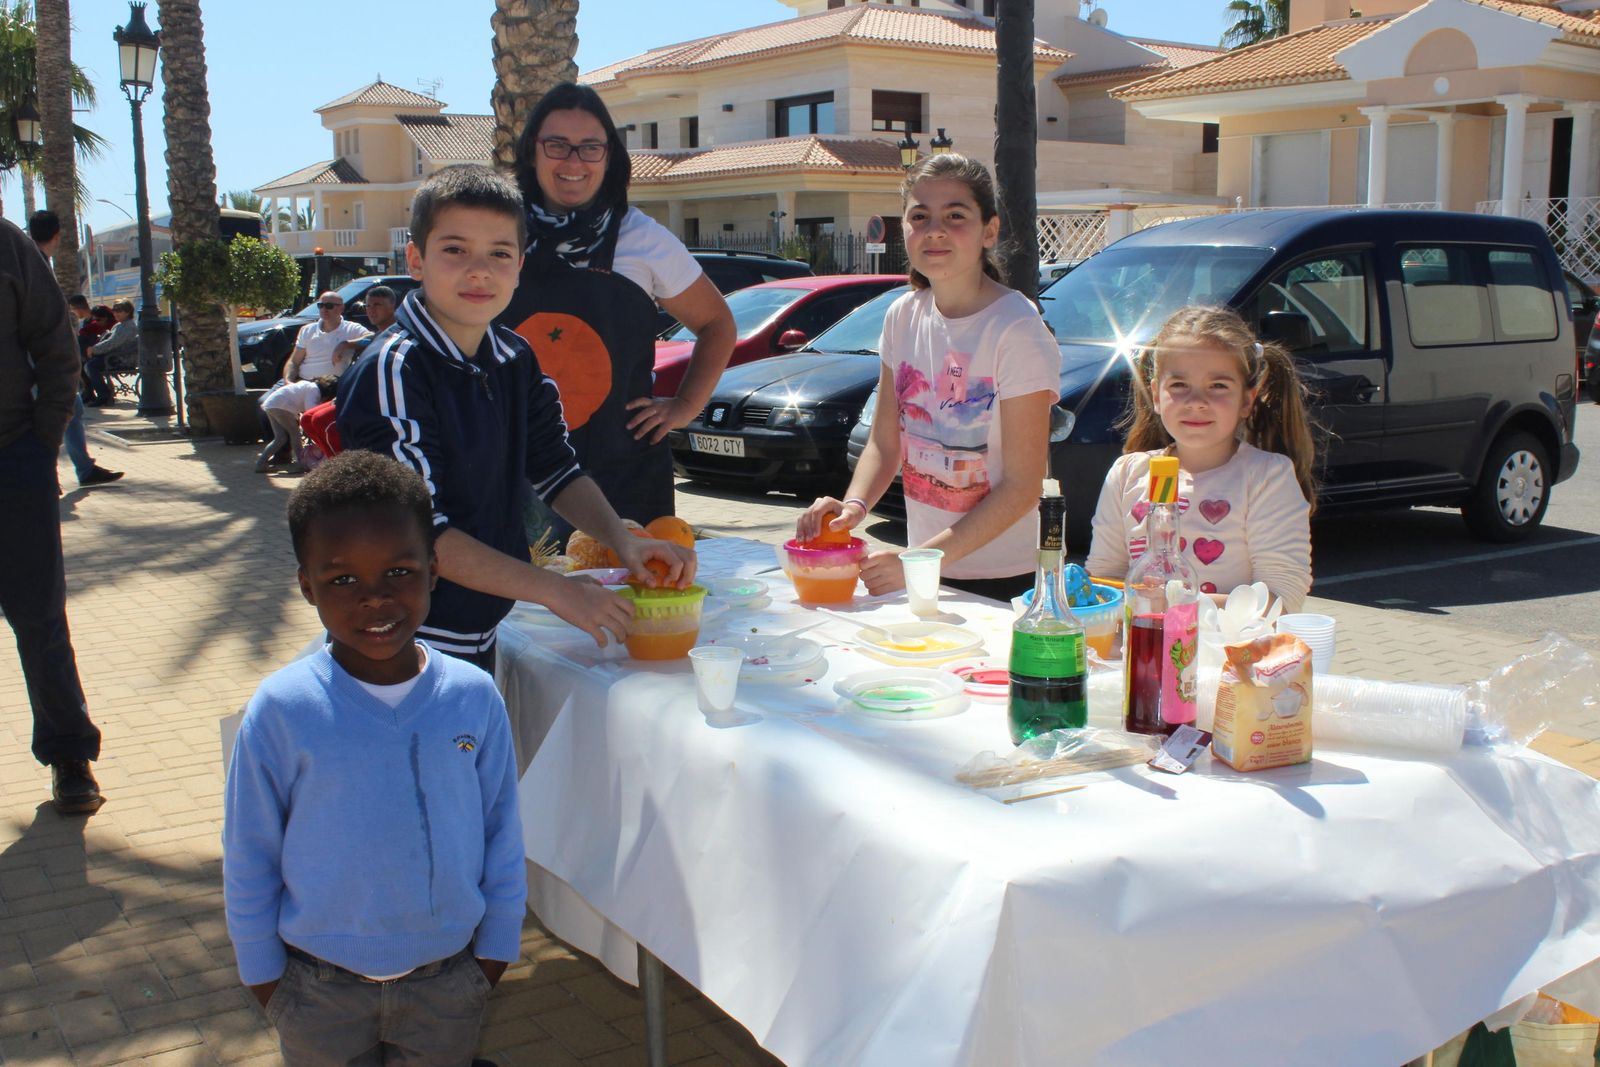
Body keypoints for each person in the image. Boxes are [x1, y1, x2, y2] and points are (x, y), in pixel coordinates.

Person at [223, 450, 524, 1065]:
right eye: (341, 580)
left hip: (450, 982)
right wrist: (263, 976)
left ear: (434, 571)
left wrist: (494, 953)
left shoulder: (473, 696)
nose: (375, 600)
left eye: (399, 572)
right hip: (314, 989)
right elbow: (250, 850)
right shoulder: (282, 708)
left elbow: (501, 832)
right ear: (306, 585)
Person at [338, 164, 695, 671]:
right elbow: (419, 532)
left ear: (519, 266)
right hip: (407, 645)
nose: (479, 270)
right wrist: (556, 590)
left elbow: (557, 469)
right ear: (416, 259)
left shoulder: (513, 356)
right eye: (455, 250)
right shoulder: (395, 369)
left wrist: (625, 540)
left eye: (499, 253)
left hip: (488, 629)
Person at [796, 154, 1061, 602]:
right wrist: (853, 507)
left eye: (955, 216)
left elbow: (1023, 486)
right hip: (927, 570)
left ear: (989, 231)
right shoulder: (902, 315)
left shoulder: (1016, 327)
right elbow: (885, 441)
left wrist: (918, 561)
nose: (935, 230)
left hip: (1006, 582)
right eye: (920, 216)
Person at [501, 82, 735, 530]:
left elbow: (717, 323)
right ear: (533, 150)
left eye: (590, 147)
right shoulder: (499, 229)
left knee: (632, 597)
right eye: (557, 145)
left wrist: (684, 405)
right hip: (512, 469)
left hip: (620, 475)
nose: (573, 162)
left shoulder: (641, 238)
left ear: (610, 156)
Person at [1086, 304, 1316, 612]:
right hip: (1143, 652)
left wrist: (1172, 603)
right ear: (1156, 395)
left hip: (1228, 656)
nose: (1196, 402)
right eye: (1179, 385)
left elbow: (1281, 602)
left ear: (1247, 399)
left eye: (1218, 386)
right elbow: (1104, 579)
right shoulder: (1128, 473)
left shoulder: (1266, 477)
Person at [0, 217, 104, 813]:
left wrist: (41, 442)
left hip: (13, 460)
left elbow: (55, 345)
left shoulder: (9, 247)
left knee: (39, 617)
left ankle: (70, 755)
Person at [28, 234, 121, 489]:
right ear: (56, 236)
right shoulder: (29, 267)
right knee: (56, 416)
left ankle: (78, 470)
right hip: (40, 365)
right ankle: (53, 474)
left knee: (71, 411)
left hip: (45, 364)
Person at [255, 376, 338, 474]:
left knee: (280, 438)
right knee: (295, 434)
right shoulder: (314, 390)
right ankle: (301, 463)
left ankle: (261, 464)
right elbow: (311, 411)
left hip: (272, 404)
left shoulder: (308, 385)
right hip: (281, 407)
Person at [284, 292, 371, 381]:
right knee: (273, 394)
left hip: (328, 387)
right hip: (302, 381)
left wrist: (345, 344)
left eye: (329, 306)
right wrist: (288, 382)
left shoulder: (352, 329)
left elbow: (374, 337)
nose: (324, 309)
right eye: (320, 305)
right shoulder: (307, 330)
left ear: (342, 308)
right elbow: (294, 362)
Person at [86, 300, 139, 405]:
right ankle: (93, 393)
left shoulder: (127, 326)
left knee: (91, 365)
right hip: (115, 356)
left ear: (127, 312)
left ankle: (103, 395)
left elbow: (112, 343)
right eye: (114, 311)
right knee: (89, 362)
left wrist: (94, 349)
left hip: (121, 359)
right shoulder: (120, 325)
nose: (115, 313)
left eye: (119, 311)